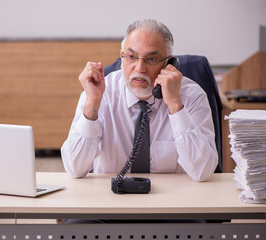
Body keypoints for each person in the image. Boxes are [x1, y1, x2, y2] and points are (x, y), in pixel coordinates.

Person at [61, 19, 218, 182]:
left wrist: (175, 105)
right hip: (111, 200)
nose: (139, 68)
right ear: (121, 57)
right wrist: (92, 103)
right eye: (131, 56)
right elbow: (74, 168)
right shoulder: (100, 93)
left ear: (169, 63)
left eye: (151, 59)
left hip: (172, 202)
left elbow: (203, 171)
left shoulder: (191, 96)